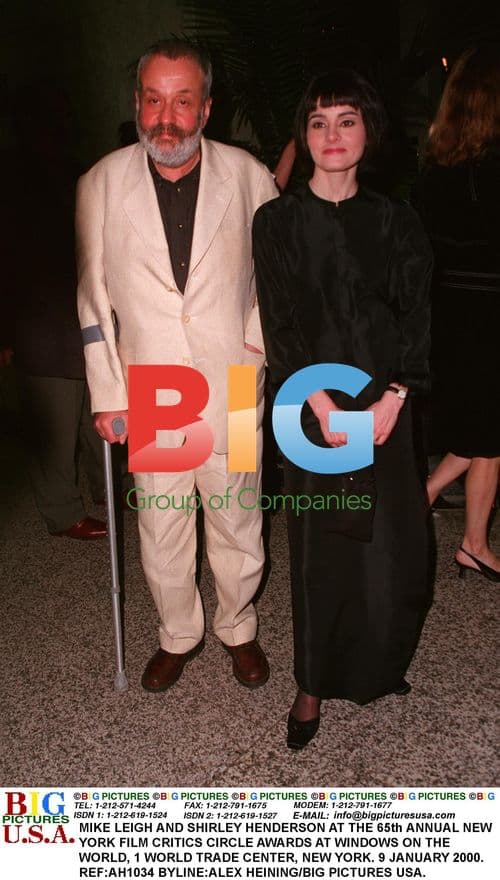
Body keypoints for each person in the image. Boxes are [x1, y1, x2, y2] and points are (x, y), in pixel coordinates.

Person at [76, 39, 278, 691]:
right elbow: (91, 293)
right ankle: (178, 634)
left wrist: (257, 351)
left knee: (239, 518)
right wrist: (108, 393)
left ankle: (237, 627)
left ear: (206, 107)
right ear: (137, 103)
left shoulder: (249, 174)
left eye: (183, 100)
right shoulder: (100, 182)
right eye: (154, 99)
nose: (167, 117)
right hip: (154, 386)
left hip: (237, 382)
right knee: (162, 527)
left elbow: (277, 281)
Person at [253, 70, 433, 749]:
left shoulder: (397, 219)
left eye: (347, 120)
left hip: (387, 403)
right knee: (321, 549)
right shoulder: (276, 221)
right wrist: (321, 403)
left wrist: (396, 396)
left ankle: (377, 661)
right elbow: (282, 325)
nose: (332, 135)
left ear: (369, 132)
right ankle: (311, 683)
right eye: (319, 121)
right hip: (311, 406)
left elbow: (418, 316)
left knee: (393, 550)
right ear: (304, 134)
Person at [1, 82, 106, 540]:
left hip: (82, 313)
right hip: (38, 322)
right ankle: (62, 512)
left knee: (95, 412)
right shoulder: (11, 175)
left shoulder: (74, 170)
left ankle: (109, 492)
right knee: (55, 424)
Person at [413, 46, 500, 583]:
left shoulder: (433, 168)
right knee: (490, 432)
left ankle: (447, 521)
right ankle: (471, 540)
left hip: (447, 312)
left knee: (484, 428)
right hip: (491, 309)